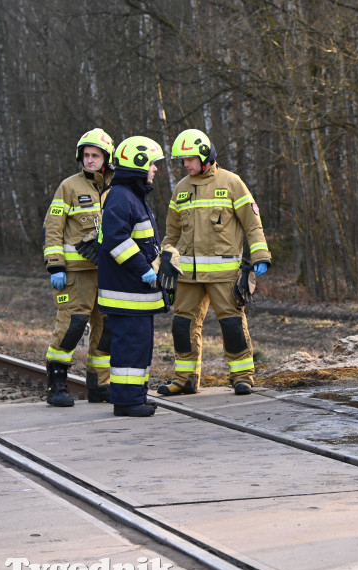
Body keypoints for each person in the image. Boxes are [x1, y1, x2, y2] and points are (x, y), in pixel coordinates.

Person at [157, 129, 271, 397]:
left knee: (232, 326)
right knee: (182, 327)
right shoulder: (181, 189)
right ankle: (184, 379)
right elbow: (171, 234)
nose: (185, 164)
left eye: (190, 159)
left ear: (206, 157)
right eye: (182, 160)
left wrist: (260, 256)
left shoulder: (232, 183)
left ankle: (242, 377)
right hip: (187, 277)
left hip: (224, 275)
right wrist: (166, 257)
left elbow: (252, 225)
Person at [42, 128, 115, 407]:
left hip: (108, 273)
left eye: (95, 155)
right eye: (86, 155)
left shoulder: (116, 188)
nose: (90, 160)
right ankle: (57, 384)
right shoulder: (69, 187)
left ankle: (99, 385)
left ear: (106, 158)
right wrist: (55, 266)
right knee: (72, 326)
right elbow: (53, 228)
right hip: (75, 275)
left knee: (105, 329)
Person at [97, 136, 167, 417]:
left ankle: (135, 395)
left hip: (137, 293)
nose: (155, 169)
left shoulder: (131, 195)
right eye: (152, 163)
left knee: (139, 348)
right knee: (129, 347)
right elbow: (116, 241)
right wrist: (145, 269)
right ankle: (126, 402)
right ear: (139, 164)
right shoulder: (121, 196)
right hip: (128, 293)